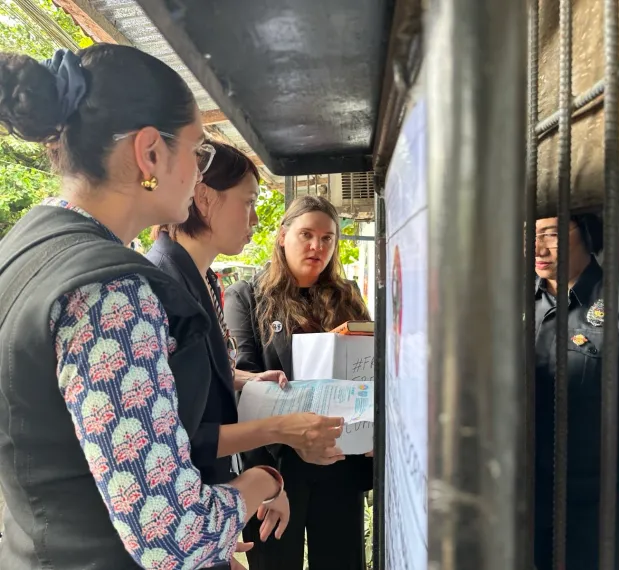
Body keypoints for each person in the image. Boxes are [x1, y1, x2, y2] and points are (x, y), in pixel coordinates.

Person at [0, 46, 288, 570]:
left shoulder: (23, 247)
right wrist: (261, 481)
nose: (199, 173)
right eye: (198, 151)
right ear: (150, 153)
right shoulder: (110, 292)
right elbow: (176, 537)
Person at [145, 139, 345, 490]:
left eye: (328, 238)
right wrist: (278, 430)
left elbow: (191, 375)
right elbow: (171, 435)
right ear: (204, 197)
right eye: (249, 202)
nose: (255, 218)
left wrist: (243, 378)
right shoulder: (160, 287)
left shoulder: (203, 279)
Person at [225, 195, 373, 570]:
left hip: (340, 459)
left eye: (327, 238)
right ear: (282, 236)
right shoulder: (247, 296)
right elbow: (245, 381)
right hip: (276, 465)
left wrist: (373, 432)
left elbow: (371, 370)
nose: (316, 246)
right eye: (306, 234)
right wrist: (268, 473)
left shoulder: (348, 295)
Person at [532, 213, 619, 570]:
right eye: (529, 235)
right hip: (512, 501)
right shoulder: (508, 301)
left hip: (590, 510)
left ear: (587, 231)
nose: (537, 247)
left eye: (550, 234)